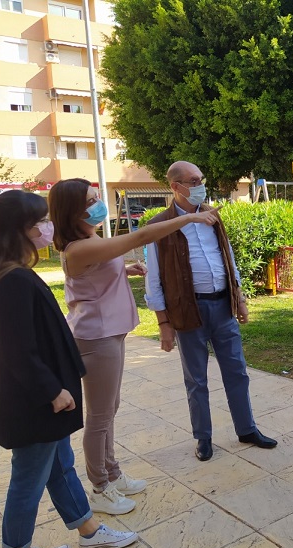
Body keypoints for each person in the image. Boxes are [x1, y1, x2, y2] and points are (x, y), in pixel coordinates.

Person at [0, 190, 137, 548]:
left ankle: (89, 530)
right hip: (33, 401)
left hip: (36, 398)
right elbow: (18, 351)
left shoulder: (10, 274)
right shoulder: (12, 282)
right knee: (28, 476)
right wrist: (53, 391)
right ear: (20, 231)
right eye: (40, 223)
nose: (48, 228)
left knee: (60, 465)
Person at [48, 178, 220, 514]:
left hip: (110, 333)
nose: (99, 203)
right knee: (99, 416)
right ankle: (99, 487)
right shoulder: (79, 247)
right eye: (91, 199)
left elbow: (94, 273)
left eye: (98, 197)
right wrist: (188, 218)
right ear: (73, 209)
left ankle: (112, 473)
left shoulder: (89, 240)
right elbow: (140, 237)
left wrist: (123, 270)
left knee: (109, 409)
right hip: (95, 337)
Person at [144, 161, 277, 462]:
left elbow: (227, 258)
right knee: (196, 379)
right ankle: (203, 438)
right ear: (175, 187)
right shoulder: (158, 227)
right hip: (187, 311)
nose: (199, 185)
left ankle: (247, 429)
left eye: (201, 179)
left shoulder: (213, 217)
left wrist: (239, 298)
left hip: (222, 306)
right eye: (193, 180)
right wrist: (163, 322)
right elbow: (154, 279)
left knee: (237, 372)